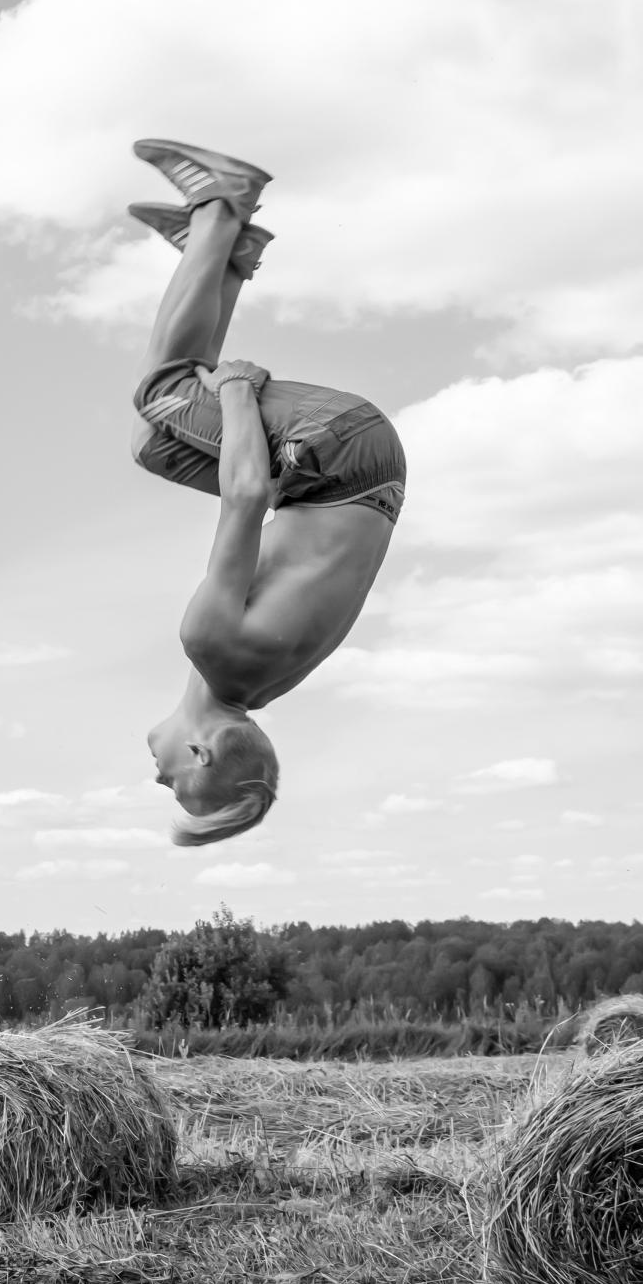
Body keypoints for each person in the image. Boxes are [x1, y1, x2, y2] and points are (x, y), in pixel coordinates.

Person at [126, 140, 405, 844]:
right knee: (165, 392)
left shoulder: (262, 686)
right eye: (174, 785)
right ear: (200, 752)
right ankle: (220, 205)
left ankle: (227, 254)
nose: (155, 776)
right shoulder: (213, 647)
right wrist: (239, 393)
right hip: (334, 454)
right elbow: (244, 497)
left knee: (155, 445)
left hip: (352, 478)